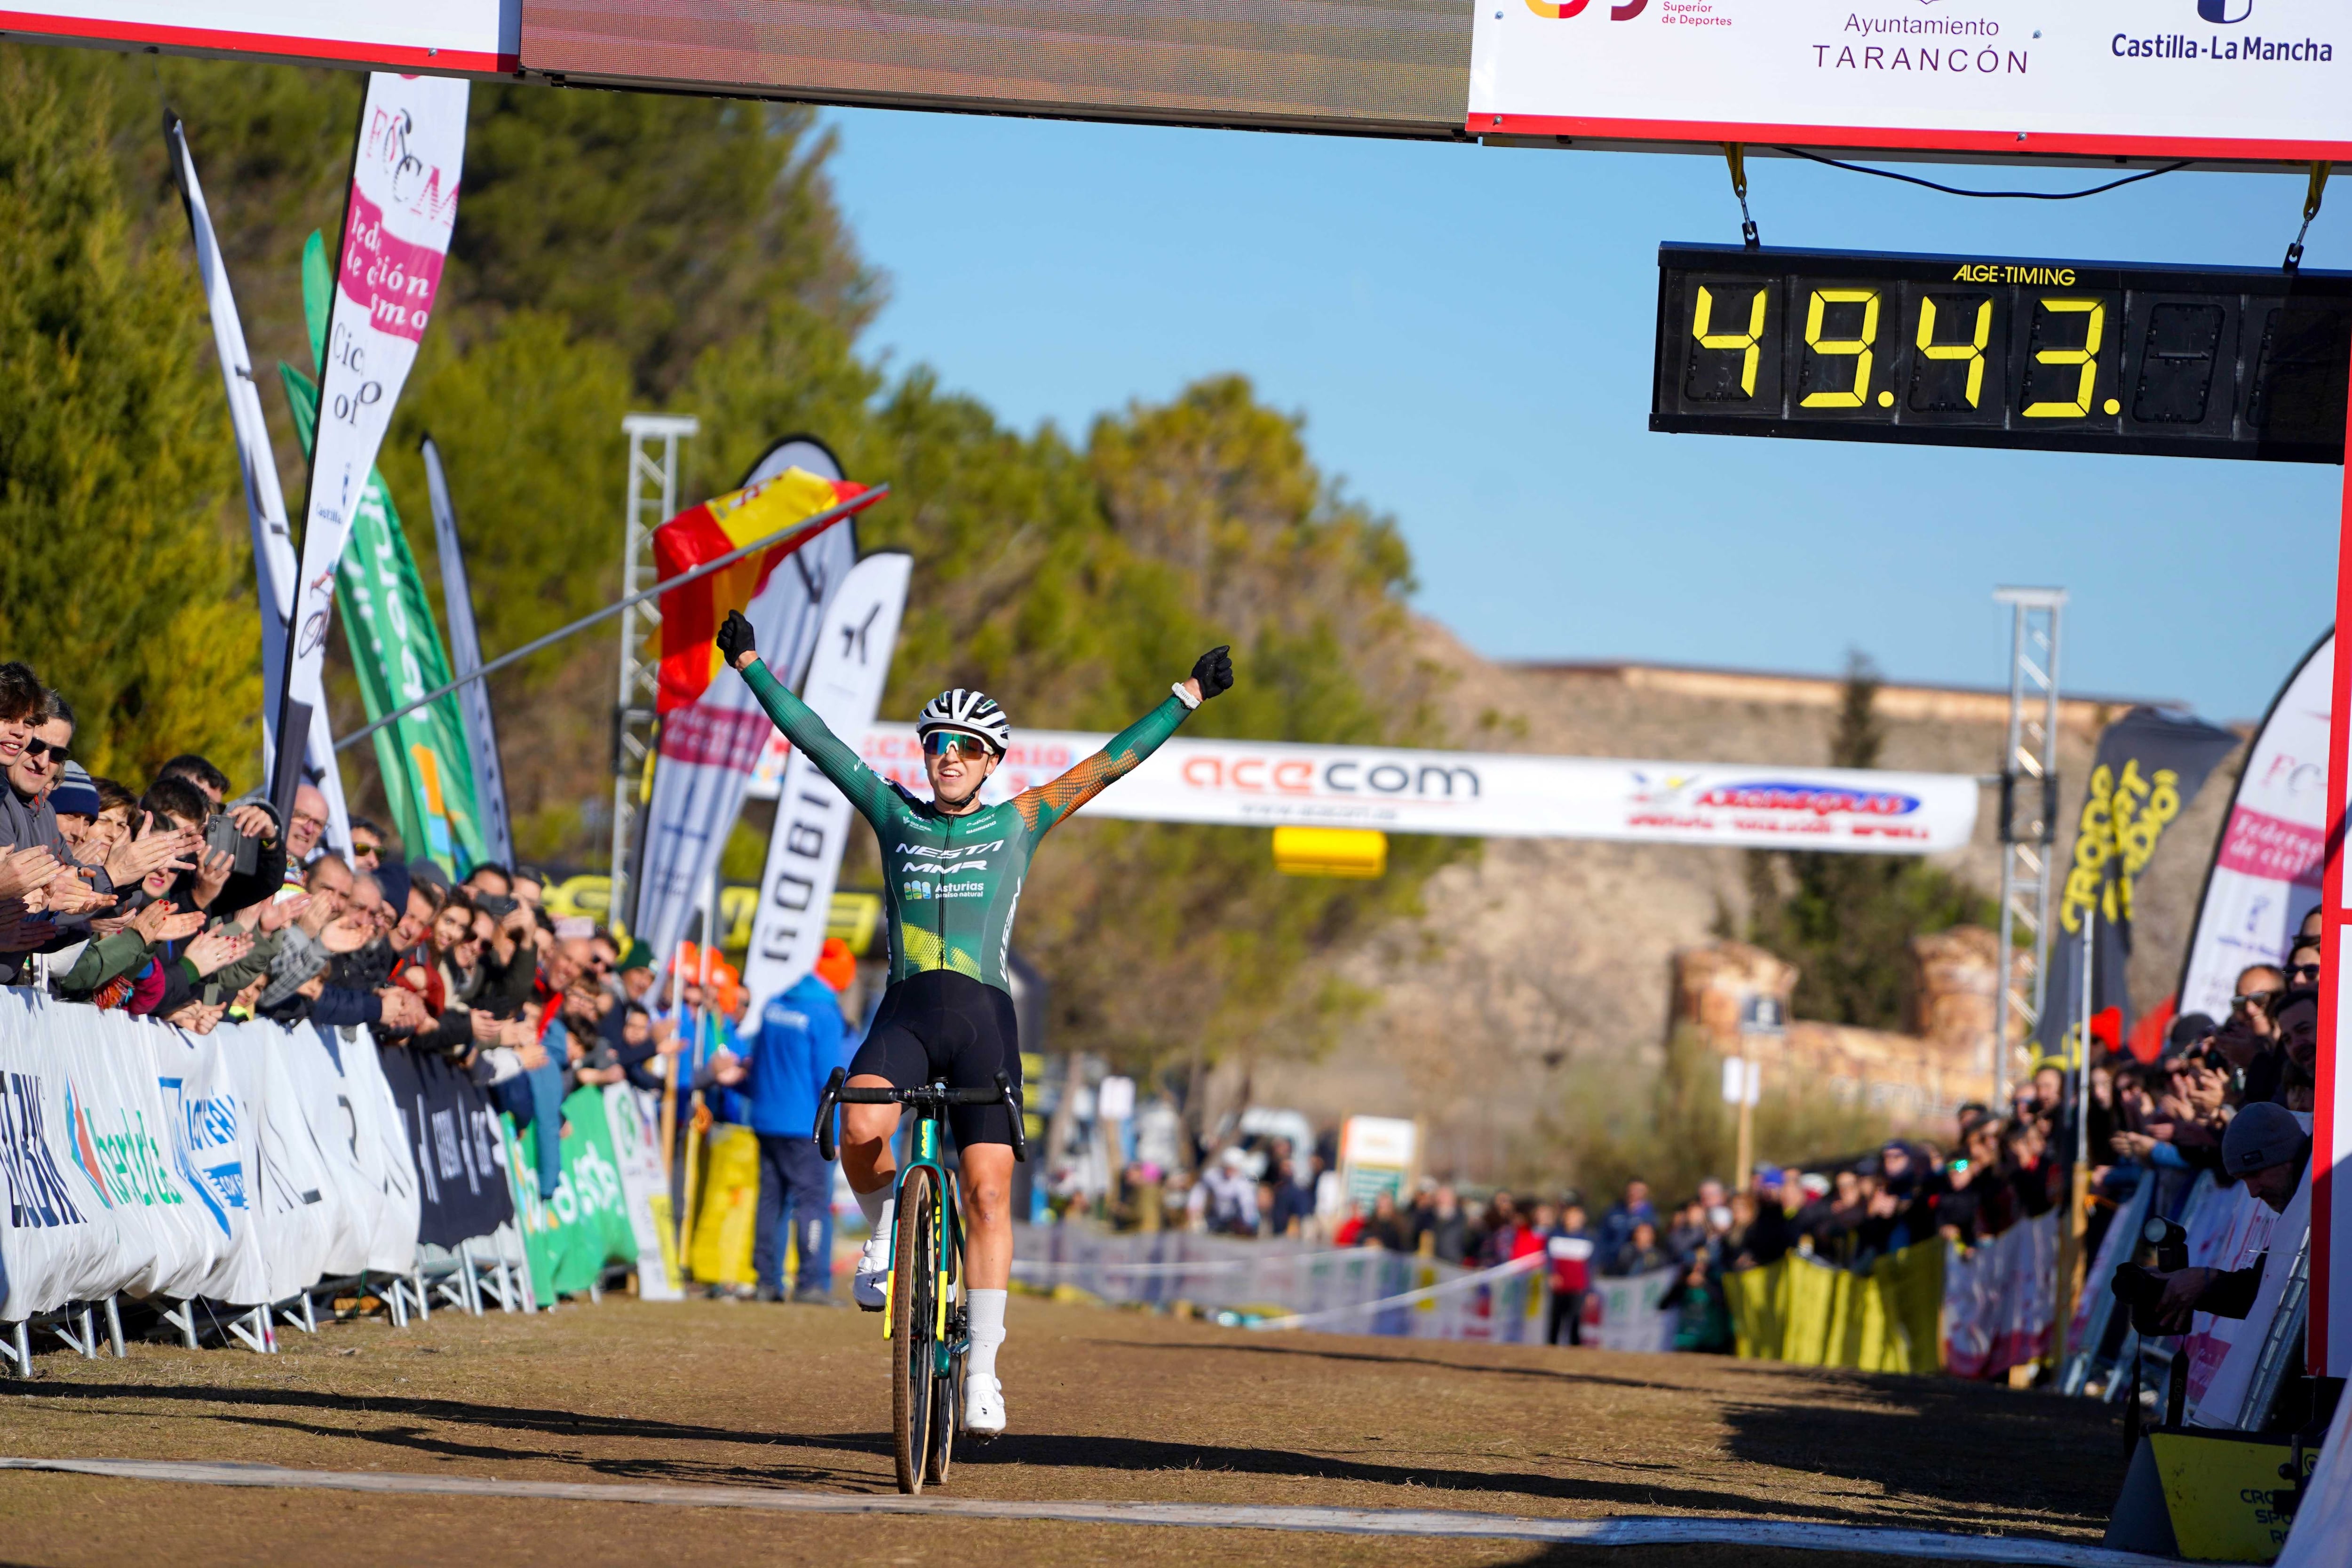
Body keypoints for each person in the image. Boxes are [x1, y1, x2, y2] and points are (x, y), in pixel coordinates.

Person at [716, 605, 1233, 1436]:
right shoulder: (895, 815)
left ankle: (984, 1373)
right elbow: (815, 739)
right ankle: (888, 1234)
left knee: (990, 1193)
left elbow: (1108, 765)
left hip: (986, 1018)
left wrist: (1185, 697)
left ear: (990, 762)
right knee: (857, 1120)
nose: (946, 757)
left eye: (964, 747)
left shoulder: (1019, 819)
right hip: (909, 1007)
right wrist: (751, 666)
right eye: (934, 744)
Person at [710, 939, 856, 1303]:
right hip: (806, 1124)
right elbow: (831, 1078)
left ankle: (766, 1281)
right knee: (813, 1202)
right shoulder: (825, 1014)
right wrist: (834, 1132)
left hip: (766, 1119)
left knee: (771, 1201)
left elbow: (757, 1063)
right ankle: (811, 1283)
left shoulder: (776, 1005)